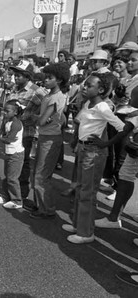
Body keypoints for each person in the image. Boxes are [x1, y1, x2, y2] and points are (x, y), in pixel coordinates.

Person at [61, 73, 125, 244]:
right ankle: (78, 225)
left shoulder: (103, 107)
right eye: (85, 84)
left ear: (101, 89)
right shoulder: (89, 103)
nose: (84, 87)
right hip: (83, 149)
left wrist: (105, 143)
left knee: (87, 193)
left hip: (94, 152)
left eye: (89, 85)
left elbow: (122, 128)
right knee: (80, 189)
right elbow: (78, 121)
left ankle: (86, 233)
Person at [93, 85, 138, 230]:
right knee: (126, 176)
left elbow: (122, 132)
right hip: (133, 152)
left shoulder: (135, 116)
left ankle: (113, 217)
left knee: (126, 177)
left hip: (134, 151)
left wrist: (104, 143)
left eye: (133, 96)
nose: (130, 98)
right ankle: (114, 217)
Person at [29, 63, 70, 219]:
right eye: (45, 77)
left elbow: (42, 120)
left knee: (41, 175)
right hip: (47, 137)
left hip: (50, 139)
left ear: (59, 80)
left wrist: (34, 117)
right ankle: (40, 203)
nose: (45, 80)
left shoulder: (55, 97)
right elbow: (62, 119)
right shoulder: (50, 96)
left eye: (49, 78)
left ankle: (47, 208)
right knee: (40, 173)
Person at [7, 60, 47, 210]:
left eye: (19, 75)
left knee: (23, 164)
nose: (15, 77)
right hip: (13, 132)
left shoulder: (37, 91)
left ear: (27, 76)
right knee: (11, 162)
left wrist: (32, 117)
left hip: (27, 133)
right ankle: (10, 193)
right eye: (14, 75)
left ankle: (21, 195)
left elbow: (46, 110)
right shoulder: (15, 89)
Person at [0, 100, 25, 209]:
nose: (4, 113)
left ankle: (17, 200)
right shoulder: (7, 121)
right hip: (9, 152)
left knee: (12, 178)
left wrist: (1, 138)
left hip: (16, 154)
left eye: (7, 111)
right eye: (3, 111)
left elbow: (9, 139)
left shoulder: (16, 123)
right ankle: (6, 196)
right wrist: (2, 136)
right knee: (7, 176)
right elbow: (2, 132)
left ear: (15, 112)